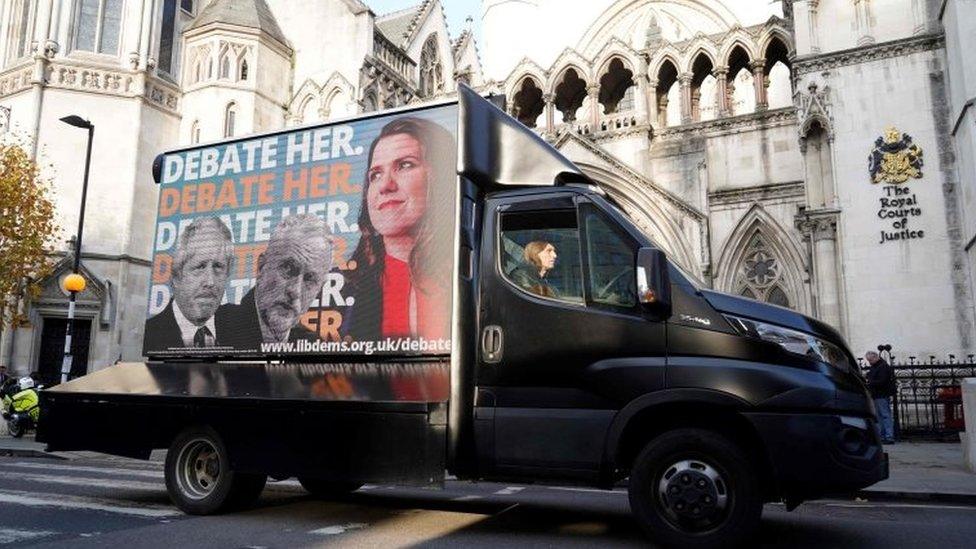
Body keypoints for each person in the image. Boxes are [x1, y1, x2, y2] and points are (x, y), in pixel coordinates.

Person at [343, 117, 456, 341]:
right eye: (375, 174)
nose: (385, 185)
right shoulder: (343, 285)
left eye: (404, 165)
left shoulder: (468, 273)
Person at [218, 214, 332, 346]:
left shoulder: (316, 347)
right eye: (288, 269)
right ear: (261, 267)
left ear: (319, 289)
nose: (295, 291)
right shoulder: (215, 325)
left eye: (309, 280)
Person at [145, 217, 234, 351]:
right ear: (176, 277)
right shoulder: (150, 335)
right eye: (200, 267)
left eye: (218, 267)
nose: (210, 282)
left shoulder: (242, 329)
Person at [865, 350, 896, 443]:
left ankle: (889, 436)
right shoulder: (876, 366)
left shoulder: (882, 366)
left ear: (875, 357)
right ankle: (883, 435)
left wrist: (869, 383)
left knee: (885, 415)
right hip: (877, 394)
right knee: (879, 416)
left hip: (881, 394)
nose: (869, 362)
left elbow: (882, 380)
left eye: (870, 360)